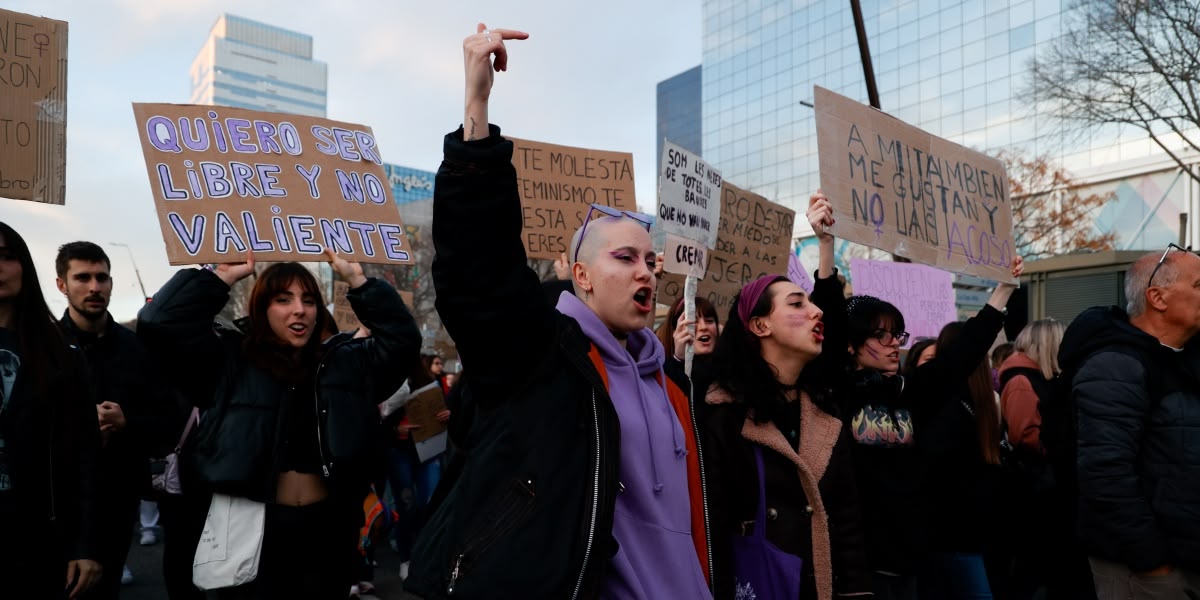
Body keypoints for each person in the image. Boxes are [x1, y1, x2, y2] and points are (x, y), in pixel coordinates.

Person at [409, 24, 712, 599]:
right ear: (581, 276)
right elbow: (480, 274)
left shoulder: (672, 384)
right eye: (625, 258)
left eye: (651, 261)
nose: (647, 272)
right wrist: (476, 115)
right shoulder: (545, 360)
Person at [136, 249, 420, 599]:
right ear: (262, 308)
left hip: (328, 533)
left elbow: (403, 342)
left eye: (308, 300)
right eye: (283, 300)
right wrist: (220, 277)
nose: (299, 309)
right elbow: (158, 323)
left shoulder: (346, 363)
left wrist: (359, 282)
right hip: (251, 534)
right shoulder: (231, 361)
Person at [807, 191, 1022, 599]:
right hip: (856, 563)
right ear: (851, 345)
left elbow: (962, 355)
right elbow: (830, 323)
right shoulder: (836, 389)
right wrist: (826, 245)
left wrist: (1003, 291)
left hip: (909, 561)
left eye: (897, 335)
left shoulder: (911, 392)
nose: (894, 344)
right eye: (881, 335)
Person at [703, 274, 871, 599]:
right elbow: (713, 527)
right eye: (796, 304)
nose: (816, 311)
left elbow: (846, 519)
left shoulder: (826, 412)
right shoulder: (723, 414)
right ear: (760, 325)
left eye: (811, 302)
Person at [1060, 245, 1200, 598]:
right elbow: (1106, 475)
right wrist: (1153, 565)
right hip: (1146, 573)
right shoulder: (1116, 365)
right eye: (1198, 285)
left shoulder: (1183, 361)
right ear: (1158, 297)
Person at [54, 241, 173, 599]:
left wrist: (126, 422)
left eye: (102, 277)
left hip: (118, 501)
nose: (94, 287)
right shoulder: (46, 346)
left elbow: (166, 426)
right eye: (82, 278)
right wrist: (77, 425)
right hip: (57, 503)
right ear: (62, 284)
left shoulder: (136, 348)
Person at [0, 222, 102, 599]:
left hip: (38, 539)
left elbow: (86, 455)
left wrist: (86, 544)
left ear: (24, 266)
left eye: (7, 256)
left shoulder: (60, 353)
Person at [656, 295, 719, 392]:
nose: (704, 327)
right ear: (675, 331)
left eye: (709, 321)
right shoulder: (661, 372)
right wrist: (678, 360)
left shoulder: (730, 369)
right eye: (693, 322)